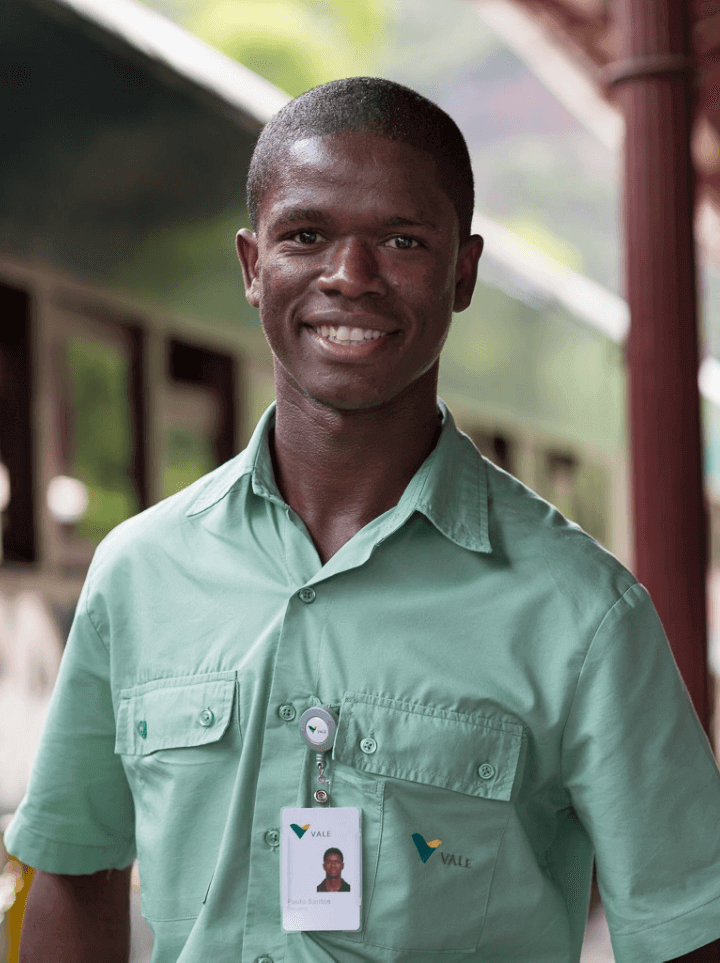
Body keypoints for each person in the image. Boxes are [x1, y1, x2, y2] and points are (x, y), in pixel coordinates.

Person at [7, 77, 720, 963]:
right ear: (252, 265)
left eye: (401, 239)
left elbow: (687, 934)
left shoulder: (585, 614)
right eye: (305, 235)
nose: (350, 275)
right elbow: (74, 874)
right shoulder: (137, 572)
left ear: (462, 271)